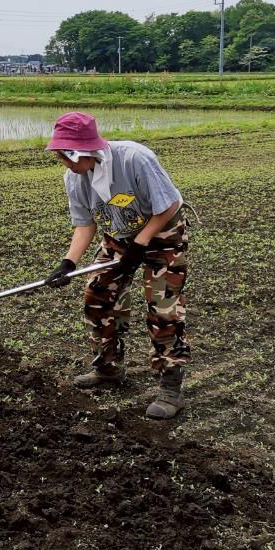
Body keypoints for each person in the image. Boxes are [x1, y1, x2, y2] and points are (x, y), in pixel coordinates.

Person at [44, 112, 190, 420]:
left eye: (69, 155)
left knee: (162, 309)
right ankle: (108, 368)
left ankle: (170, 388)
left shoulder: (135, 159)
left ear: (87, 148)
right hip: (119, 235)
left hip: (163, 233)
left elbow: (169, 206)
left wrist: (141, 244)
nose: (67, 163)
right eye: (61, 156)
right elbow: (85, 225)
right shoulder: (74, 177)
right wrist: (68, 263)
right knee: (96, 296)